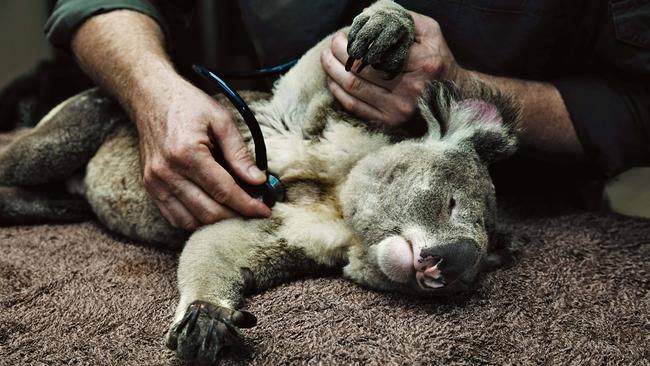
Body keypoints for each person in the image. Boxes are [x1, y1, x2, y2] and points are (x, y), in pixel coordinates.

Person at [45, 0, 650, 230]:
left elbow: (637, 102)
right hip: (283, 171)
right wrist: (155, 93)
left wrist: (464, 90)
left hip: (513, 216)